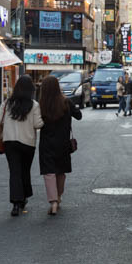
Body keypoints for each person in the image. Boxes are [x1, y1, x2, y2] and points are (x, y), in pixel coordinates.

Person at [0, 75, 44, 216]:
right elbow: (38, 124)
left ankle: (16, 204)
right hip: (28, 143)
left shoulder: (7, 103)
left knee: (15, 172)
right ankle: (23, 198)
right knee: (25, 170)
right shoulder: (34, 105)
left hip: (10, 142)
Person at [38, 76, 82, 216]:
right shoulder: (66, 101)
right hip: (63, 143)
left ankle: (53, 202)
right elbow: (79, 115)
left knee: (49, 172)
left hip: (46, 143)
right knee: (60, 171)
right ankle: (59, 196)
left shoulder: (41, 104)